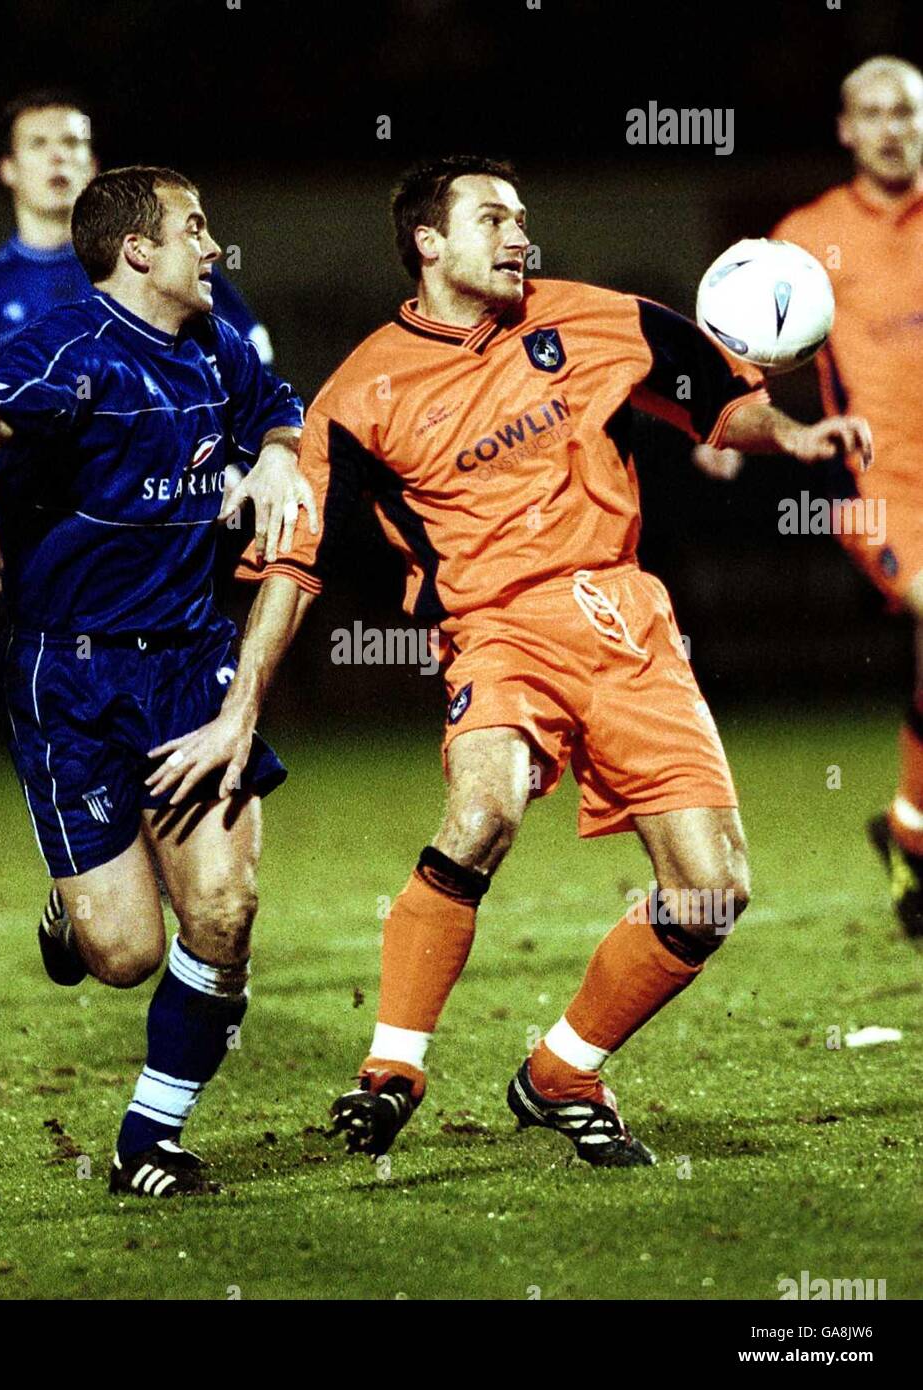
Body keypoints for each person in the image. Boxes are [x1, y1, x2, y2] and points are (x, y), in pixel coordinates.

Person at [238, 155, 872, 1164]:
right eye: (490, 217)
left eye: (521, 215)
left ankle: (561, 1070)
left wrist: (786, 434)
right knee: (481, 811)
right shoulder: (361, 393)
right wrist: (242, 707)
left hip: (624, 619)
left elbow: (713, 397)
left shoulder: (595, 315)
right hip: (496, 630)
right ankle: (390, 1067)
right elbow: (295, 557)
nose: (516, 232)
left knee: (708, 893)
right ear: (427, 242)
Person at [0, 166, 317, 1197]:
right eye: (196, 226)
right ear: (137, 249)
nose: (214, 245)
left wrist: (276, 453)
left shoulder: (215, 343)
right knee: (125, 952)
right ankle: (74, 906)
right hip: (72, 678)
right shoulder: (71, 346)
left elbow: (277, 407)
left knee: (223, 908)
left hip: (189, 662)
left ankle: (148, 1137)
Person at [0, 89, 273, 600]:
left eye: (72, 142)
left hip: (169, 525)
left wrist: (237, 460)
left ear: (94, 165)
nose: (58, 155)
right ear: (8, 168)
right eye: (39, 143)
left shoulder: (162, 262)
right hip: (43, 542)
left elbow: (250, 356)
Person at [771, 56, 923, 938]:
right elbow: (755, 337)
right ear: (845, 129)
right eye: (872, 112)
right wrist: (732, 421)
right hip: (882, 485)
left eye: (905, 111)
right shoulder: (811, 234)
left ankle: (908, 829)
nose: (891, 128)